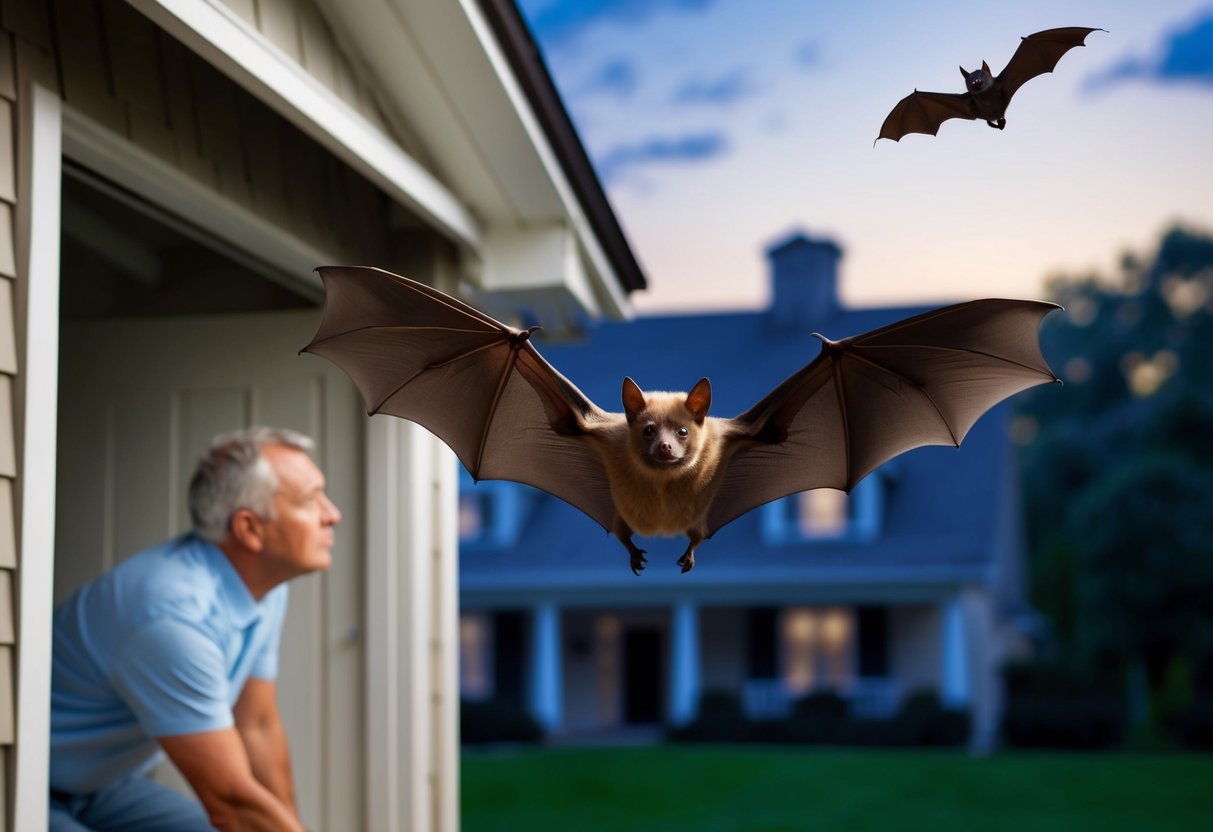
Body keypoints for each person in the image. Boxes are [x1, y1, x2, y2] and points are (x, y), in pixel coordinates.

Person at [48, 426, 342, 831]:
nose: (333, 515)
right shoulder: (171, 617)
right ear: (249, 529)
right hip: (26, 779)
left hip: (103, 786)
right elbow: (230, 802)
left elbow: (256, 726)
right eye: (312, 500)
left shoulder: (263, 589)